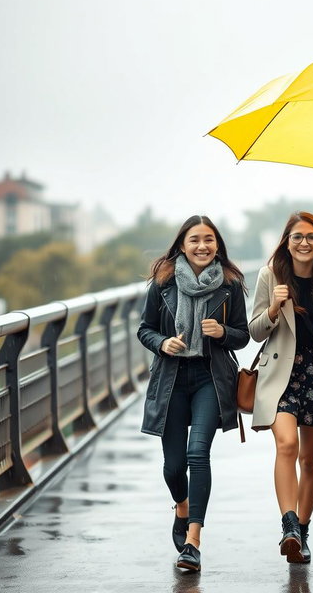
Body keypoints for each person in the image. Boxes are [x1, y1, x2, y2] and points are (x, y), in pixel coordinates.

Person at [137, 215, 249, 572]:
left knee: (198, 454)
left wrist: (221, 332)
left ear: (218, 245)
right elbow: (145, 328)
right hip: (170, 380)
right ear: (182, 245)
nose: (203, 246)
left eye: (209, 240)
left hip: (209, 379)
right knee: (173, 468)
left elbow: (243, 335)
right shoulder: (164, 283)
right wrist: (161, 342)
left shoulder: (230, 284)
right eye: (195, 240)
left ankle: (193, 542)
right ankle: (181, 507)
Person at [249, 212, 313, 564]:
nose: (304, 243)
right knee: (286, 444)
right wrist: (273, 307)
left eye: (311, 238)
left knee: (311, 460)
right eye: (297, 237)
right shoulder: (269, 276)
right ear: (287, 241)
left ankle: (302, 529)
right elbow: (255, 330)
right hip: (282, 377)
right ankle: (288, 525)